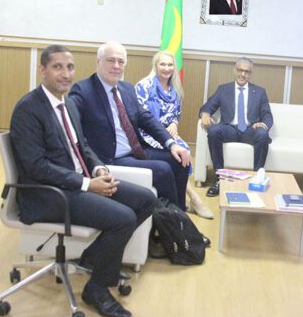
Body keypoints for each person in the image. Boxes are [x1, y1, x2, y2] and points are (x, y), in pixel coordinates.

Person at [9, 44, 157, 317]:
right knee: (123, 218)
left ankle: (93, 258)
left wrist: (98, 169)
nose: (66, 74)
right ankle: (97, 289)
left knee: (147, 199)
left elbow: (83, 146)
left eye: (70, 67)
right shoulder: (28, 109)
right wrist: (87, 184)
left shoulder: (68, 104)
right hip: (48, 194)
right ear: (42, 70)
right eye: (57, 67)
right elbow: (36, 167)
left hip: (77, 183)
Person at [69, 42, 192, 211]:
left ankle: (179, 214)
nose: (116, 66)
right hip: (112, 157)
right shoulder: (83, 90)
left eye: (121, 61)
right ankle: (171, 218)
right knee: (163, 170)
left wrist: (171, 143)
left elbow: (146, 119)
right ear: (98, 62)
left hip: (137, 150)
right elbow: (73, 129)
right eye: (111, 60)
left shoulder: (126, 88)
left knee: (181, 160)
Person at [135, 51, 214, 219]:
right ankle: (193, 198)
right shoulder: (144, 86)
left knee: (184, 150)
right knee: (179, 155)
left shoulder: (174, 89)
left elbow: (175, 114)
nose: (166, 68)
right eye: (162, 64)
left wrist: (173, 124)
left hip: (167, 135)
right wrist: (163, 131)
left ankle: (183, 203)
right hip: (147, 134)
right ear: (155, 66)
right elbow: (142, 117)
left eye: (170, 64)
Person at [199, 57, 273, 197]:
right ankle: (219, 178)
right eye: (240, 70)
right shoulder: (223, 89)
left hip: (250, 130)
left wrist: (263, 124)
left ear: (250, 73)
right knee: (213, 131)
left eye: (247, 71)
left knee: (263, 134)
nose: (243, 74)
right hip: (229, 129)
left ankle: (257, 178)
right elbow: (208, 106)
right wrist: (205, 114)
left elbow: (267, 115)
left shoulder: (259, 92)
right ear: (234, 70)